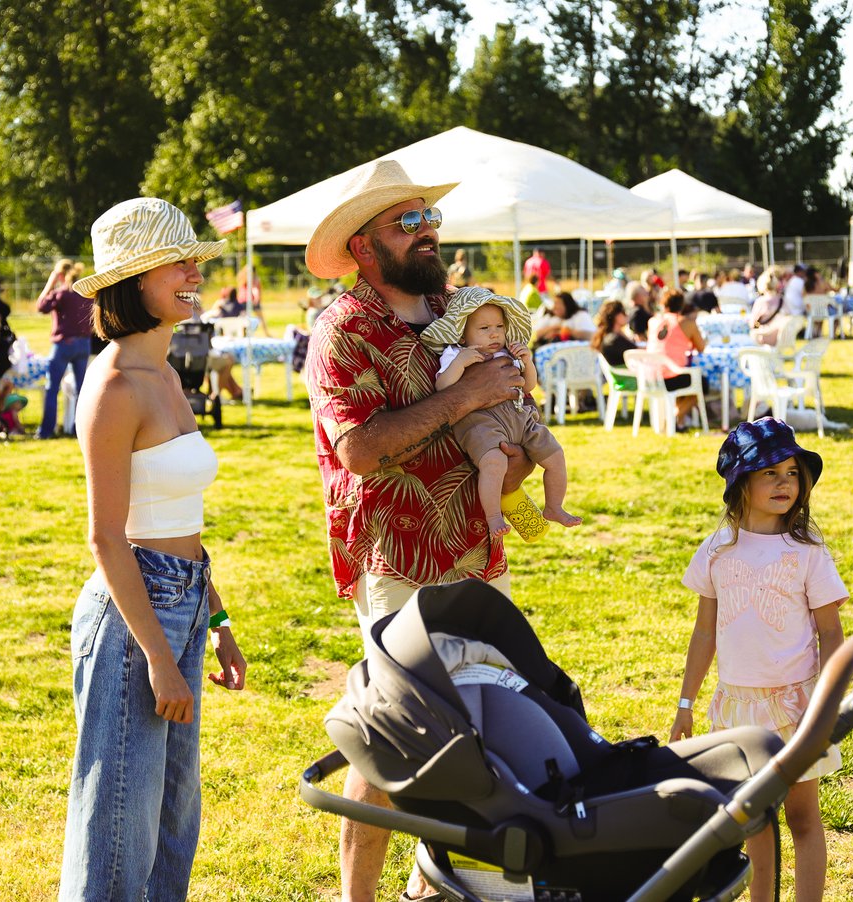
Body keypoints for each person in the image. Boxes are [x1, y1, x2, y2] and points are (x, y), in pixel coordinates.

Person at [301, 158, 532, 902]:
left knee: (484, 730)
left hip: (477, 557)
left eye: (430, 217)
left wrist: (518, 429)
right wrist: (465, 396)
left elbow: (501, 449)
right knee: (393, 744)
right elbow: (360, 449)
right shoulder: (344, 330)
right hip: (399, 566)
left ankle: (429, 888)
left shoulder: (458, 322)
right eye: (408, 221)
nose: (429, 230)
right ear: (364, 246)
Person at [58, 197, 246, 900]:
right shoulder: (112, 388)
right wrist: (159, 660)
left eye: (196, 259)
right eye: (180, 261)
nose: (195, 272)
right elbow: (107, 538)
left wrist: (218, 622)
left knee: (171, 821)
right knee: (116, 831)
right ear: (136, 280)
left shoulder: (167, 375)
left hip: (185, 600)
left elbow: (181, 518)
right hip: (134, 620)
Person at [670, 417, 846, 902]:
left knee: (803, 816)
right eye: (770, 472)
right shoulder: (718, 549)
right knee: (753, 821)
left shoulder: (807, 551)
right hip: (737, 710)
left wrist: (826, 701)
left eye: (792, 472)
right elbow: (705, 631)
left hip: (797, 705)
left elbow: (831, 631)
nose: (784, 482)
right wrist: (686, 703)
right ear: (739, 484)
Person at [423, 287, 580, 537]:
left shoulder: (508, 353)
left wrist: (527, 362)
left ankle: (554, 506)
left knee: (555, 456)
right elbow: (442, 387)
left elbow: (528, 386)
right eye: (484, 329)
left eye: (499, 326)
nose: (494, 333)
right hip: (481, 421)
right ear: (462, 335)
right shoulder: (456, 353)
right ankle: (494, 516)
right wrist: (460, 363)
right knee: (494, 463)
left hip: (518, 417)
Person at [35, 259, 94, 439]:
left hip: (64, 344)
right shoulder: (85, 293)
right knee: (80, 390)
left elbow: (41, 306)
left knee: (52, 388)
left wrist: (50, 285)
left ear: (60, 275)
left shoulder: (61, 293)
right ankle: (79, 429)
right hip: (84, 344)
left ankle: (46, 430)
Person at [647, 289, 707, 428]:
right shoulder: (686, 323)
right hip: (669, 377)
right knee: (702, 384)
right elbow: (701, 347)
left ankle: (678, 421)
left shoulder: (653, 321)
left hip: (650, 375)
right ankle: (675, 417)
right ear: (682, 305)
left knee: (685, 378)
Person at [590, 298, 637, 366]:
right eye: (623, 311)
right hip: (628, 375)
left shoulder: (609, 337)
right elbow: (638, 353)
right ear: (616, 316)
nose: (626, 314)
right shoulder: (614, 340)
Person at [750, 266, 788, 346]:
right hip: (780, 338)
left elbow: (752, 323)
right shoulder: (782, 300)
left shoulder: (760, 301)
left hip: (763, 337)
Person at [235, 262, 271, 335]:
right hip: (250, 300)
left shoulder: (243, 277)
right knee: (260, 318)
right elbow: (255, 289)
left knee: (243, 319)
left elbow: (242, 290)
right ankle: (266, 333)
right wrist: (257, 298)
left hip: (243, 300)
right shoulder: (254, 278)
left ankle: (242, 334)